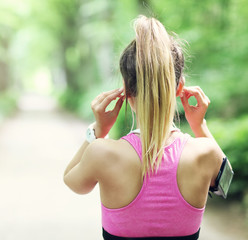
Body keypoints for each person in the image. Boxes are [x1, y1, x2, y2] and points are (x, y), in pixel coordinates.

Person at [63, 15, 226, 240]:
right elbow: (224, 181)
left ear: (126, 90)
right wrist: (199, 126)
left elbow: (72, 181)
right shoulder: (205, 153)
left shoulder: (102, 152)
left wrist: (98, 130)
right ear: (179, 87)